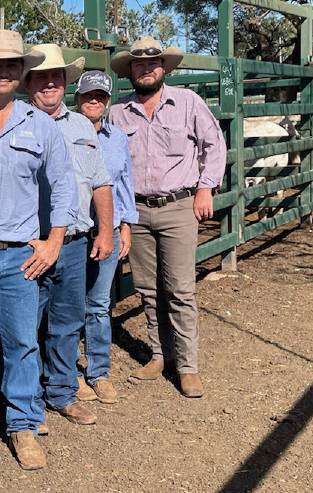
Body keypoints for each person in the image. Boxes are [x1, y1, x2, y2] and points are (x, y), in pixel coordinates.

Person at [0, 29, 75, 471]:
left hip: (20, 253)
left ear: (22, 71)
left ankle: (23, 426)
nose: (3, 71)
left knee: (23, 342)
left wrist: (54, 240)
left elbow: (63, 185)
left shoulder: (40, 124)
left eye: (12, 64)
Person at [107, 36, 226, 399]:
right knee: (147, 288)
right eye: (139, 64)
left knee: (180, 289)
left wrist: (206, 187)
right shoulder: (118, 112)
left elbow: (213, 144)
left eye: (153, 63)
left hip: (178, 206)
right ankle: (159, 354)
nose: (146, 69)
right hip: (137, 210)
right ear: (131, 71)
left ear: (164, 68)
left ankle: (187, 365)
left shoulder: (188, 102)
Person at [22, 44, 117, 432]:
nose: (49, 83)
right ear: (28, 82)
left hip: (76, 240)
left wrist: (106, 230)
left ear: (65, 82)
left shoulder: (81, 126)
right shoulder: (17, 120)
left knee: (66, 319)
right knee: (25, 325)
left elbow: (100, 181)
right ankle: (27, 402)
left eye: (56, 77)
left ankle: (61, 392)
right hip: (32, 241)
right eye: (41, 76)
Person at [73, 70, 135, 405]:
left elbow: (124, 184)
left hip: (107, 230)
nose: (93, 100)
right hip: (71, 232)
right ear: (78, 97)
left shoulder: (117, 138)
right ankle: (69, 373)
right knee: (67, 306)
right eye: (88, 95)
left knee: (98, 304)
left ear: (108, 101)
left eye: (100, 96)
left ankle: (99, 371)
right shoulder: (63, 131)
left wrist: (125, 225)